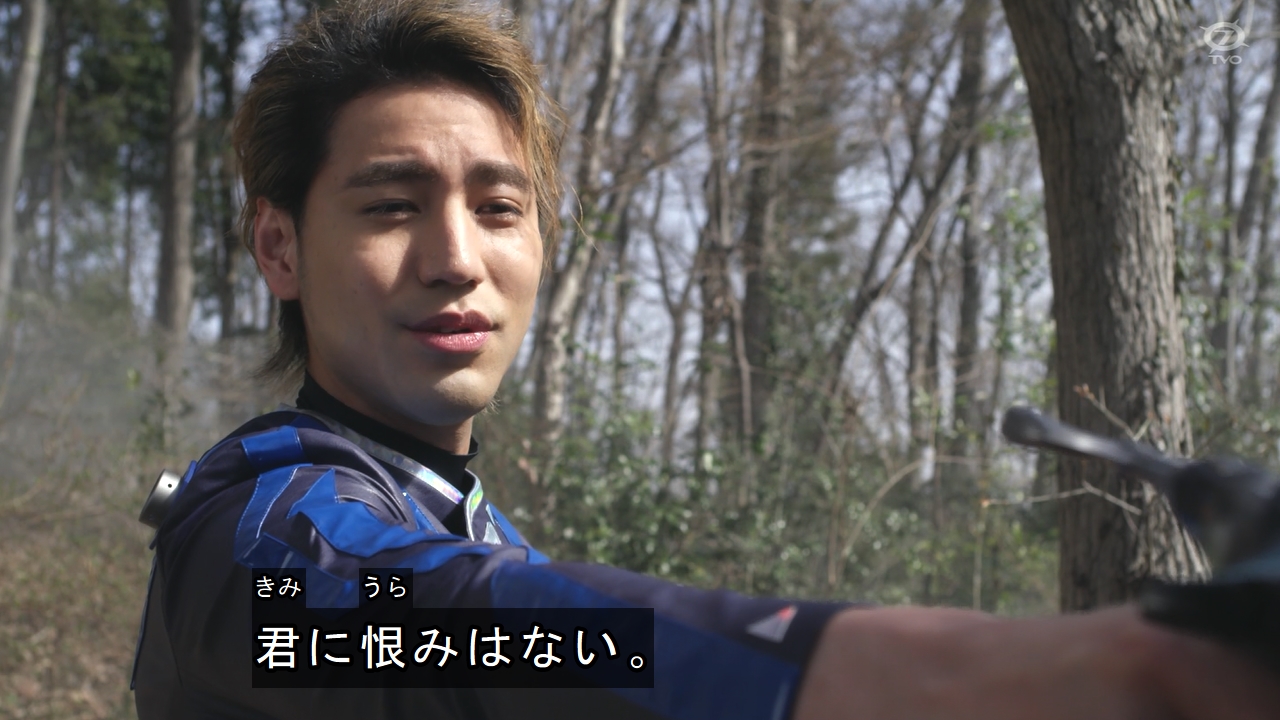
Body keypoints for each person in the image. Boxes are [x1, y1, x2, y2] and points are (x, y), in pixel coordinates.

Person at [130, 1, 1280, 718]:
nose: (456, 259)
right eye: (390, 206)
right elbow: (443, 622)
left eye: (498, 207)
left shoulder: (465, 521)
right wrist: (1025, 674)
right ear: (279, 246)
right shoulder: (263, 528)